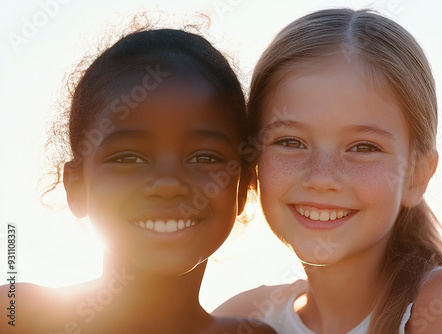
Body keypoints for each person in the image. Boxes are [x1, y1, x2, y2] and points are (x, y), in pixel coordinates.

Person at [213, 8, 442, 334]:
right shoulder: (247, 318)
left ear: (418, 175)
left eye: (364, 147)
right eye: (290, 141)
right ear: (253, 162)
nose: (321, 177)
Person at [0, 27, 275, 334]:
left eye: (204, 157)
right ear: (77, 187)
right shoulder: (18, 316)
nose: (168, 184)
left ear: (242, 188)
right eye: (128, 158)